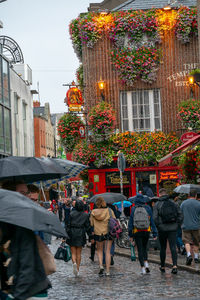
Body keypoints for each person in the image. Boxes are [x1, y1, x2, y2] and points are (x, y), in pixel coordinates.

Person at [0, 221, 51, 300]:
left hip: (33, 291)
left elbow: (27, 267)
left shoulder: (23, 232)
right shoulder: (5, 234)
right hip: (15, 288)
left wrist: (17, 296)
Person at [153, 188, 183, 274]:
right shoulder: (173, 203)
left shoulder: (157, 204)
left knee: (163, 248)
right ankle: (174, 265)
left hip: (162, 229)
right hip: (173, 228)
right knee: (173, 247)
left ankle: (162, 266)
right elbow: (180, 214)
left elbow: (155, 217)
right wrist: (177, 225)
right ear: (166, 194)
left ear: (160, 194)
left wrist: (159, 226)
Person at [128, 193, 157, 275]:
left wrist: (130, 235)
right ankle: (146, 263)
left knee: (140, 249)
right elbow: (152, 221)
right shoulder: (148, 208)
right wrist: (154, 233)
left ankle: (143, 268)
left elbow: (130, 223)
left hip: (137, 231)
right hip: (146, 230)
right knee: (145, 248)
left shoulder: (133, 209)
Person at [90, 197, 115, 276]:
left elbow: (91, 224)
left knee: (100, 250)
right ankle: (107, 270)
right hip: (108, 233)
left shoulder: (93, 212)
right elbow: (114, 220)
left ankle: (101, 265)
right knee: (107, 251)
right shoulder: (109, 211)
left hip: (98, 233)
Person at [66, 200, 91, 276]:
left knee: (73, 252)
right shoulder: (85, 215)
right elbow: (87, 226)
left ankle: (74, 263)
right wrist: (90, 236)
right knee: (79, 253)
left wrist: (66, 234)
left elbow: (68, 225)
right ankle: (77, 269)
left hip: (72, 233)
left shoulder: (71, 214)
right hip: (81, 233)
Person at [180, 189, 200, 265]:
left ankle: (188, 255)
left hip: (186, 225)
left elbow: (180, 214)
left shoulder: (183, 203)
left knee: (186, 241)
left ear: (188, 195)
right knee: (196, 242)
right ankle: (196, 257)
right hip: (196, 226)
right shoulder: (198, 203)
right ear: (195, 195)